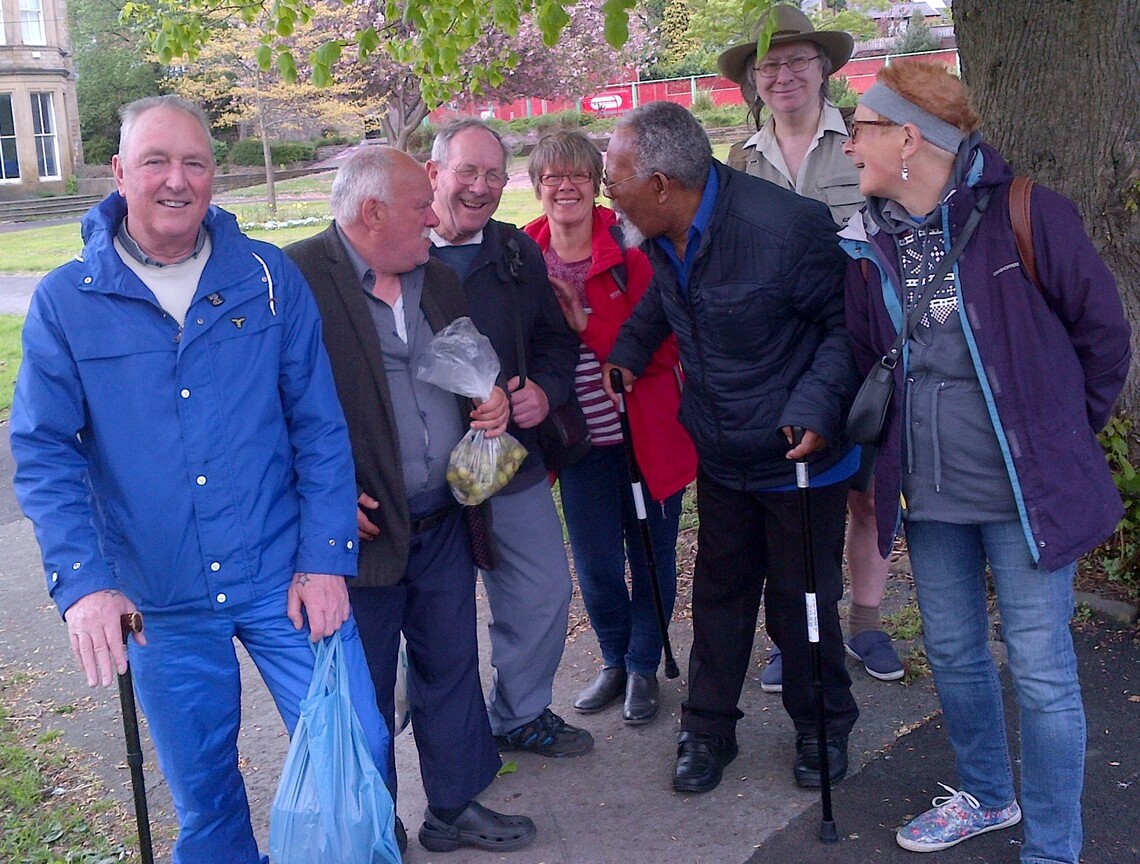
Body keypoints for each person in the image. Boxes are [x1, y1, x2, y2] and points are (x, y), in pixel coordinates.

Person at [9, 95, 391, 864]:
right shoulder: (65, 301)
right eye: (155, 161)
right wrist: (85, 583)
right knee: (207, 798)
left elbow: (317, 426)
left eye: (195, 162)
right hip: (161, 595)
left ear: (215, 177)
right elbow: (45, 450)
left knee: (359, 750)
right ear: (118, 173)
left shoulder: (269, 279)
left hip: (283, 573)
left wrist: (325, 557)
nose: (176, 180)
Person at [840, 62, 1130, 862]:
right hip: (929, 497)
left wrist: (1057, 439)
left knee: (1040, 674)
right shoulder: (870, 240)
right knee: (956, 654)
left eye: (859, 127)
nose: (846, 145)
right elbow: (869, 353)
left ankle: (1053, 845)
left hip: (1024, 497)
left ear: (908, 136)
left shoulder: (1027, 214)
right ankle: (985, 796)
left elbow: (1104, 339)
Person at [602, 100, 861, 794]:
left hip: (796, 452)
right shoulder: (669, 230)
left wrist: (816, 407)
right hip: (720, 448)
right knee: (718, 593)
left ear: (661, 183)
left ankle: (823, 725)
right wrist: (630, 348)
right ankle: (708, 729)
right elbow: (674, 295)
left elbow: (847, 327)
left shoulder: (784, 228)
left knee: (799, 598)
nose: (607, 192)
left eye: (614, 177)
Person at [285, 146, 537, 855]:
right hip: (357, 536)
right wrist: (317, 504)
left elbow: (466, 359)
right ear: (371, 213)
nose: (435, 217)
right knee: (362, 692)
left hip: (443, 517)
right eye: (419, 207)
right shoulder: (298, 277)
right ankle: (372, 828)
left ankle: (453, 808)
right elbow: (260, 409)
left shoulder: (436, 278)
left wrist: (488, 396)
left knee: (451, 665)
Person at [718, 2, 902, 690]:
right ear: (753, 82)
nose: (784, 74)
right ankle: (792, 634)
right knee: (785, 503)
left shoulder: (863, 141)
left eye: (797, 59)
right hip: (771, 362)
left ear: (824, 67)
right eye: (770, 64)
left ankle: (867, 621)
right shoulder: (738, 161)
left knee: (865, 495)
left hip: (860, 346)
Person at [426, 119, 593, 758]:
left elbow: (555, 339)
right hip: (420, 471)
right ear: (434, 172)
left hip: (504, 461)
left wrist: (544, 390)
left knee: (544, 588)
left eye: (494, 175)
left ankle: (519, 713)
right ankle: (440, 734)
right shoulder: (396, 250)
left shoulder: (516, 253)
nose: (480, 187)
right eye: (466, 171)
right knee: (430, 612)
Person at [522, 130, 698, 725]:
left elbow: (669, 344)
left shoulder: (632, 249)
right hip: (577, 446)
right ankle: (615, 659)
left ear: (596, 183)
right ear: (537, 185)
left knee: (650, 554)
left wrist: (586, 327)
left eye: (577, 174)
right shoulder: (526, 253)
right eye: (552, 176)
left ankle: (646, 665)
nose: (565, 186)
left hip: (643, 437)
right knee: (595, 562)